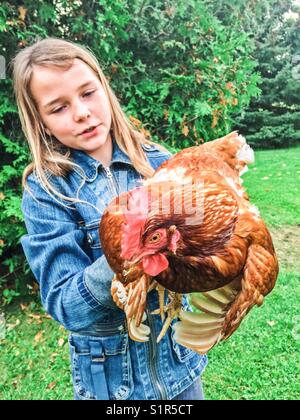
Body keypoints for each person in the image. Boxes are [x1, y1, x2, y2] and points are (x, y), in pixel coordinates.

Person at [12, 37, 207, 400]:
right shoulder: (47, 192)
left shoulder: (160, 163)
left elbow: (198, 250)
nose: (82, 112)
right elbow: (64, 301)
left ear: (105, 87)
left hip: (180, 366)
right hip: (111, 384)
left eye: (88, 92)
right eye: (58, 108)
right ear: (41, 122)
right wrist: (128, 254)